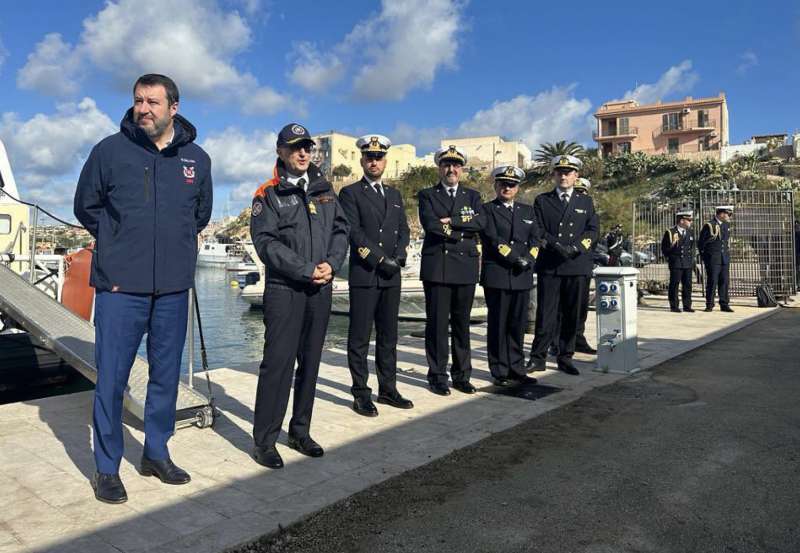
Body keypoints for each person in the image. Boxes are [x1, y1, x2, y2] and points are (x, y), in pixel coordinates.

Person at [74, 74, 213, 504]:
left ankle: (156, 452)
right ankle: (107, 468)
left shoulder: (197, 159)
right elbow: (86, 205)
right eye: (138, 101)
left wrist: (172, 248)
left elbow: (200, 215)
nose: (143, 109)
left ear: (174, 107)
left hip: (172, 288)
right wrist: (120, 243)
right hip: (120, 287)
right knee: (112, 379)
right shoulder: (109, 151)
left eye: (153, 101)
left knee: (165, 376)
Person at [249, 123, 349, 469]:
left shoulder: (324, 190)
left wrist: (332, 265)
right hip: (285, 290)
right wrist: (306, 268)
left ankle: (300, 431)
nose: (303, 152)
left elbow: (340, 230)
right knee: (277, 365)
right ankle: (264, 440)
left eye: (307, 146)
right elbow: (266, 244)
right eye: (294, 147)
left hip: (320, 289)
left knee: (310, 364)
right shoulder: (268, 194)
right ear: (280, 152)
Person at [338, 135, 413, 417]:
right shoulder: (350, 193)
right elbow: (353, 232)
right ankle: (360, 393)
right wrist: (381, 259)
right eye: (369, 157)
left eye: (378, 157)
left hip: (392, 277)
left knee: (388, 336)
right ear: (362, 161)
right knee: (359, 338)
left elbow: (403, 229)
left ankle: (388, 389)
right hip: (367, 274)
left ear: (385, 161)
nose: (374, 161)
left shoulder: (394, 196)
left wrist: (402, 256)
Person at [418, 145, 484, 396]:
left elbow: (481, 222)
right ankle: (437, 375)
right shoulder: (427, 195)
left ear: (462, 169)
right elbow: (431, 225)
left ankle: (461, 375)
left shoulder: (473, 196)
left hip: (465, 267)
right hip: (439, 268)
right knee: (436, 325)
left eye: (456, 165)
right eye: (446, 165)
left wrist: (452, 221)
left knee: (461, 325)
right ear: (439, 168)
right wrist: (463, 230)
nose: (451, 169)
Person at [526, 155, 598, 376]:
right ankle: (538, 357)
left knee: (571, 315)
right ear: (554, 175)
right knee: (546, 315)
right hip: (551, 265)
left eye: (568, 172)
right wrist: (556, 245)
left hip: (576, 265)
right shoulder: (543, 200)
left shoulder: (585, 202)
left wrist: (576, 247)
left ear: (576, 176)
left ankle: (565, 357)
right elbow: (537, 229)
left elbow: (593, 230)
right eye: (559, 172)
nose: (564, 175)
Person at [479, 165, 539, 386]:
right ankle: (499, 371)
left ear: (517, 188)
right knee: (498, 325)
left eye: (511, 185)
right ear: (496, 185)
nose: (507, 187)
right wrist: (515, 258)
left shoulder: (528, 211)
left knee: (517, 324)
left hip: (522, 275)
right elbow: (493, 239)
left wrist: (530, 260)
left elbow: (535, 239)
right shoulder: (487, 209)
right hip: (499, 274)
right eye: (503, 183)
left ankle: (517, 367)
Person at [698, 205, 733, 312]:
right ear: (721, 214)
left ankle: (724, 303)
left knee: (724, 281)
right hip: (713, 259)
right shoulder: (709, 225)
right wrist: (706, 258)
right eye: (728, 214)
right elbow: (701, 244)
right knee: (712, 281)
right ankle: (709, 304)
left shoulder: (726, 225)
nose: (729, 216)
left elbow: (725, 242)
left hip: (724, 258)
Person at [661, 209, 696, 313]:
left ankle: (687, 305)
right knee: (675, 284)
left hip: (687, 262)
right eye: (689, 220)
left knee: (687, 285)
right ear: (682, 221)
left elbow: (691, 247)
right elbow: (664, 249)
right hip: (676, 262)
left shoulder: (690, 232)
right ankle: (674, 305)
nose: (690, 222)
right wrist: (671, 255)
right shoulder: (670, 232)